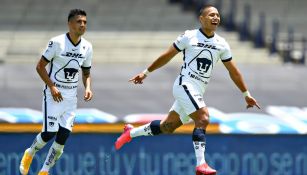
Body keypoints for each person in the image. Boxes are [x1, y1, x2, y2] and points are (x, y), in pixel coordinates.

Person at [115, 5, 260, 175]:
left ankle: (131, 133)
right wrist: (146, 72)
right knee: (203, 117)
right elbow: (167, 55)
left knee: (167, 127)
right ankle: (201, 164)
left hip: (197, 90)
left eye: (218, 15)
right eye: (211, 15)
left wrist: (246, 94)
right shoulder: (189, 36)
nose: (216, 18)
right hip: (184, 85)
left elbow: (233, 71)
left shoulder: (221, 43)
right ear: (201, 18)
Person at [19, 9, 93, 175]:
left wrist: (88, 87)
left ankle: (44, 171)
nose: (82, 25)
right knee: (49, 132)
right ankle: (30, 152)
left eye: (85, 22)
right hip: (53, 95)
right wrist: (52, 87)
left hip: (70, 99)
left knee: (63, 137)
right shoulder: (57, 42)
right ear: (70, 24)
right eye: (79, 21)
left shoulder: (87, 47)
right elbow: (40, 67)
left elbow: (86, 73)